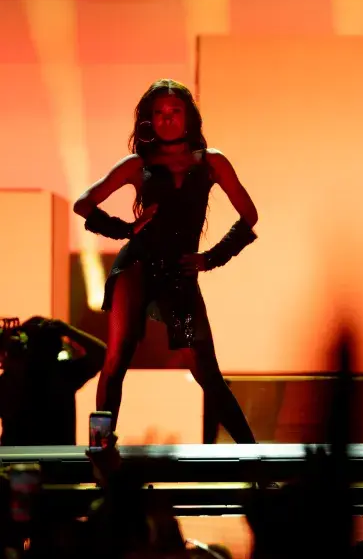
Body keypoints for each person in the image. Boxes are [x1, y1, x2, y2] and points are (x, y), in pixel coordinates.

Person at [72, 79, 256, 442]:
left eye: (174, 111)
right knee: (117, 359)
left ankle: (253, 454)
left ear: (189, 117)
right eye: (158, 113)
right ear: (149, 119)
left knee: (205, 369)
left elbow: (249, 215)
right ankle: (100, 446)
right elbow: (84, 203)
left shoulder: (211, 162)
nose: (167, 119)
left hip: (179, 274)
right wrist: (125, 229)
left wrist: (211, 258)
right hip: (137, 266)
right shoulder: (138, 164)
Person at [0, 316, 106, 445]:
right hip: (58, 455)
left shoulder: (9, 380)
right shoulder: (64, 374)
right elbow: (101, 353)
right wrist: (68, 330)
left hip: (15, 456)